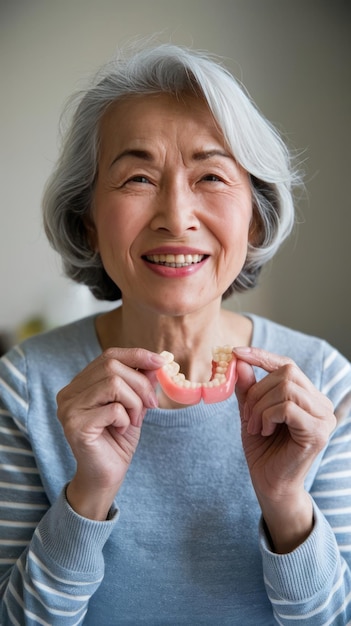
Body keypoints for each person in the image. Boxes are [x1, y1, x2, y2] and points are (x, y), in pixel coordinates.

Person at [0, 41, 350, 626]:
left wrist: (287, 503)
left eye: (211, 175)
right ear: (87, 219)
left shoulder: (325, 382)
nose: (175, 215)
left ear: (255, 215)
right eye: (138, 177)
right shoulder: (24, 386)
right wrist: (87, 495)